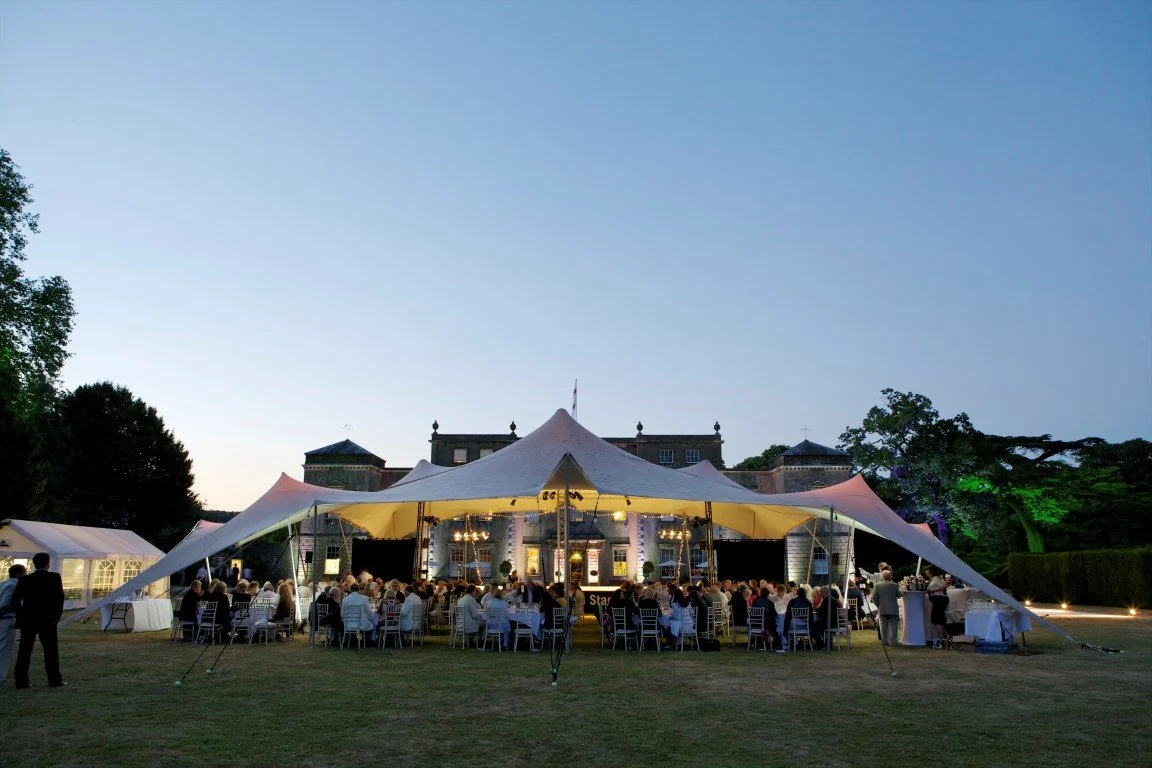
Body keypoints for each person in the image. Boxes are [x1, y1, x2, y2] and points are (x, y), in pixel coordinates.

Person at [12, 552, 65, 688]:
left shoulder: (24, 580)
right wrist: (56, 617)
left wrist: (21, 615)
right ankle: (54, 680)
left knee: (24, 651)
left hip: (28, 619)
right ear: (48, 564)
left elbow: (15, 601)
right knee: (51, 651)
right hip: (47, 619)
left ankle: (21, 681)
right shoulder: (54, 577)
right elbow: (59, 599)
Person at [0, 564, 27, 686]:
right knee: (5, 649)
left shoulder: (3, 583)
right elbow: (6, 603)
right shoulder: (13, 585)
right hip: (7, 619)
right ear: (19, 574)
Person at [872, 570, 902, 646]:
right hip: (893, 609)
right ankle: (894, 642)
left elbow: (874, 597)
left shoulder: (877, 585)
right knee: (894, 626)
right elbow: (899, 594)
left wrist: (878, 605)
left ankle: (884, 641)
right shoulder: (894, 585)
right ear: (889, 576)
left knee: (883, 626)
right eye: (891, 575)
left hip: (882, 609)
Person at [925, 566, 949, 648]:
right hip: (942, 601)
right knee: (941, 621)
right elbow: (943, 586)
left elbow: (934, 589)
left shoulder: (934, 581)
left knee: (937, 621)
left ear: (930, 572)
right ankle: (945, 639)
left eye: (927, 571)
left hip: (937, 602)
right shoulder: (940, 579)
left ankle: (943, 640)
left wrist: (930, 591)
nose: (926, 572)